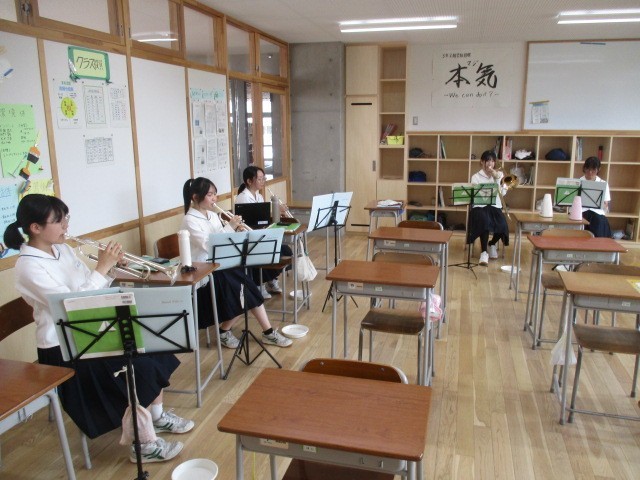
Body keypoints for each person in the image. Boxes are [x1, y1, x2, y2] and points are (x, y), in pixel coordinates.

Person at [3, 194, 193, 464]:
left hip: (92, 330)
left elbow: (92, 290)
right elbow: (71, 305)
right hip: (64, 346)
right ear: (35, 228)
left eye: (66, 218)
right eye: (59, 221)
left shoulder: (63, 250)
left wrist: (112, 270)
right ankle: (144, 445)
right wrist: (103, 267)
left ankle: (156, 416)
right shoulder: (28, 266)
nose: (66, 225)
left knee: (152, 348)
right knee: (137, 367)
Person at [181, 177, 292, 348]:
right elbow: (209, 245)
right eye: (210, 195)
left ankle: (237, 331)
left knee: (247, 285)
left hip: (221, 264)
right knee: (244, 287)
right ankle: (260, 332)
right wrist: (230, 227)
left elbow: (226, 241)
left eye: (215, 194)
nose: (214, 198)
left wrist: (238, 232)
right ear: (196, 197)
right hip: (203, 271)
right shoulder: (189, 220)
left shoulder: (212, 215)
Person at [235, 165, 293, 298]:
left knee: (285, 250)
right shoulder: (243, 198)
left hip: (259, 234)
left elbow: (263, 219)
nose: (263, 181)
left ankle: (270, 280)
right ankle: (258, 284)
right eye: (260, 179)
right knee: (270, 252)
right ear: (249, 181)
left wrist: (278, 212)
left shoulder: (259, 196)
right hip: (248, 238)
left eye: (263, 178)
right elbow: (249, 221)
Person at [468, 150, 509, 266]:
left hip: (494, 206)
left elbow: (503, 193)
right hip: (480, 207)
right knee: (484, 221)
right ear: (482, 162)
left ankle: (492, 244)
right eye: (487, 160)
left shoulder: (499, 175)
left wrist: (497, 179)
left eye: (492, 161)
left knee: (503, 224)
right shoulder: (476, 177)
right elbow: (474, 194)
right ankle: (484, 252)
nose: (490, 163)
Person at [578, 156, 612, 238]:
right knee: (580, 220)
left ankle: (597, 244)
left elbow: (605, 204)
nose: (590, 172)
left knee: (599, 221)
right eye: (588, 169)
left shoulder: (603, 183)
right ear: (584, 168)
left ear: (598, 170)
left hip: (597, 212)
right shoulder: (578, 181)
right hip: (581, 211)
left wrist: (602, 204)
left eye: (593, 170)